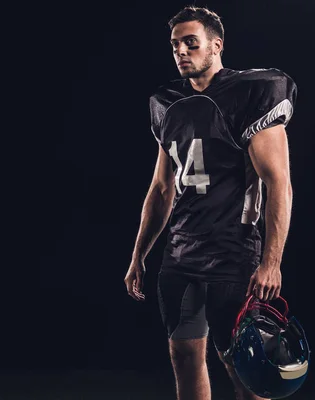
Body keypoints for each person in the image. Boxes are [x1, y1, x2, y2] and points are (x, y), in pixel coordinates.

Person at [124, 6, 296, 400]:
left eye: (190, 43)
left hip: (233, 252)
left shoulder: (253, 92)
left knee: (246, 368)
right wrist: (139, 254)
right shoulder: (167, 103)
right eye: (175, 45)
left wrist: (271, 262)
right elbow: (161, 189)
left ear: (216, 46)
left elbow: (279, 185)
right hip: (182, 252)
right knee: (184, 357)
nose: (181, 51)